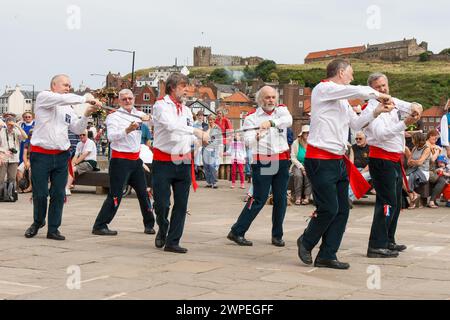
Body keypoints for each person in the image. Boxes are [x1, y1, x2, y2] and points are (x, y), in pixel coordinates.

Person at [296, 60, 393, 270]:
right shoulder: (323, 89)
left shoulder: (341, 101)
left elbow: (357, 123)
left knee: (342, 210)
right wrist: (376, 94)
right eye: (350, 73)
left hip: (338, 160)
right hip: (320, 159)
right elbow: (355, 89)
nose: (352, 77)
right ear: (341, 72)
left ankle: (327, 254)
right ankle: (306, 240)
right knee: (329, 208)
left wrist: (376, 111)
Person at [24, 74, 101, 240]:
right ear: (53, 85)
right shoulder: (44, 96)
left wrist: (86, 114)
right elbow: (61, 100)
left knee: (59, 193)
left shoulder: (68, 108)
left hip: (60, 155)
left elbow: (77, 128)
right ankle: (38, 222)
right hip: (41, 154)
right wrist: (86, 98)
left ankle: (53, 228)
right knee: (40, 193)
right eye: (65, 85)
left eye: (69, 86)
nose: (68, 88)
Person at [362, 72, 422, 257]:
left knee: (396, 202)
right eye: (378, 87)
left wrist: (416, 108)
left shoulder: (393, 101)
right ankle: (376, 245)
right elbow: (381, 134)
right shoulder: (370, 109)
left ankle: (388, 239)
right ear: (372, 90)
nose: (382, 89)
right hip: (381, 159)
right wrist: (405, 123)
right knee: (386, 202)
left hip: (394, 159)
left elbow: (409, 105)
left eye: (384, 85)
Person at [227, 85, 293, 248]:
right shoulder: (251, 117)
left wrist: (270, 123)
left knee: (281, 199)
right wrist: (257, 135)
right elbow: (247, 141)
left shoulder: (281, 110)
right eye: (267, 97)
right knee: (259, 199)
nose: (271, 100)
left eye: (272, 97)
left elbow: (288, 121)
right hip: (263, 160)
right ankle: (237, 230)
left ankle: (277, 235)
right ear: (260, 100)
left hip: (282, 158)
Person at [152, 73, 209, 254]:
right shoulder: (161, 105)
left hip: (183, 160)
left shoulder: (186, 110)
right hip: (163, 160)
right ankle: (163, 226)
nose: (186, 90)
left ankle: (173, 241)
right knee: (162, 204)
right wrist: (196, 131)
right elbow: (171, 126)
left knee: (181, 204)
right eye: (183, 86)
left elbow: (187, 134)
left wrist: (199, 140)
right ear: (172, 87)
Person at [92, 89, 156, 236]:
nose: (128, 101)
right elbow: (112, 137)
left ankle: (149, 224)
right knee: (116, 194)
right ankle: (100, 225)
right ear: (119, 101)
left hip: (135, 160)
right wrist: (127, 130)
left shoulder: (139, 114)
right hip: (120, 160)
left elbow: (155, 121)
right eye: (124, 99)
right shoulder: (113, 117)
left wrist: (150, 117)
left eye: (130, 98)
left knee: (144, 193)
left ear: (134, 99)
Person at [0, 117, 28, 199]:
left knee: (12, 177)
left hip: (14, 158)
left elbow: (25, 137)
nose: (10, 126)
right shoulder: (1, 131)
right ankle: (1, 194)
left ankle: (9, 195)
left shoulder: (16, 132)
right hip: (3, 157)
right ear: (6, 123)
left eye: (12, 124)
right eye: (9, 124)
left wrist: (18, 126)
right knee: (1, 177)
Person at [65, 130, 97, 195]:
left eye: (83, 135)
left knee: (72, 169)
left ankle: (67, 188)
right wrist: (71, 164)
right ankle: (69, 185)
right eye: (80, 135)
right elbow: (75, 156)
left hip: (90, 163)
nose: (82, 136)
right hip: (82, 162)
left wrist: (75, 163)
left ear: (87, 135)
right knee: (69, 168)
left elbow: (84, 155)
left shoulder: (90, 142)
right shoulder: (79, 144)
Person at [406, 132, 431, 209]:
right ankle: (413, 194)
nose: (412, 141)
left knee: (406, 179)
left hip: (423, 172)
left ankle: (412, 200)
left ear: (417, 140)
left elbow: (420, 162)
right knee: (402, 178)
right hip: (413, 170)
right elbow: (408, 162)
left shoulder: (426, 149)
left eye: (413, 139)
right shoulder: (414, 148)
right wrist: (415, 162)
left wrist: (414, 162)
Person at [290, 125, 311, 205]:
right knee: (298, 176)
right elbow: (293, 157)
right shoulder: (296, 143)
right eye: (305, 133)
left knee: (308, 175)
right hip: (297, 164)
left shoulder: (312, 143)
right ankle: (298, 197)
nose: (307, 134)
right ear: (302, 134)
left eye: (309, 133)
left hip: (309, 164)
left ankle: (307, 197)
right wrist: (302, 168)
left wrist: (307, 167)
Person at [203, 115, 222, 188]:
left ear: (214, 120)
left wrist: (220, 150)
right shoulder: (205, 128)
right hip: (205, 148)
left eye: (211, 120)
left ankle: (214, 182)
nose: (210, 121)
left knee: (212, 166)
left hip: (213, 149)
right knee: (206, 166)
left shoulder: (217, 128)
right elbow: (202, 137)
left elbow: (219, 139)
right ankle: (209, 182)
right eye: (209, 120)